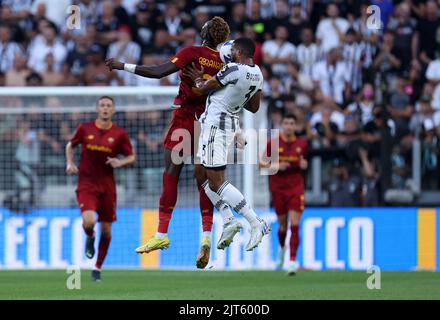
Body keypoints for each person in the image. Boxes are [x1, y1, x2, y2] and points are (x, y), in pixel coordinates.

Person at [105, 16, 230, 269]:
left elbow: (159, 71)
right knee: (204, 179)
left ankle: (161, 234)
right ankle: (206, 236)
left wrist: (122, 66)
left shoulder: (192, 52)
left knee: (171, 172)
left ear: (205, 33)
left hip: (185, 118)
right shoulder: (225, 63)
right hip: (209, 122)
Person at [183, 37, 270, 252]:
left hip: (216, 127)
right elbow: (254, 107)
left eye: (232, 51)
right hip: (227, 124)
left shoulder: (233, 69)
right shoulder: (258, 74)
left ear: (239, 52)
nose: (228, 54)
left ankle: (255, 222)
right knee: (200, 172)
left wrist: (197, 79)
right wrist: (235, 95)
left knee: (216, 182)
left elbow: (203, 88)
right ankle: (229, 219)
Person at [65, 96, 135, 282]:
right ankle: (90, 235)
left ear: (113, 110)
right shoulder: (84, 128)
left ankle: (97, 268)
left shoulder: (119, 134)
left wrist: (120, 162)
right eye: (102, 105)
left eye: (109, 106)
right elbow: (70, 145)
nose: (105, 108)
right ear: (97, 109)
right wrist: (70, 163)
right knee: (89, 221)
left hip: (107, 185)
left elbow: (131, 157)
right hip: (86, 183)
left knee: (106, 231)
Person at [259, 113, 308, 275]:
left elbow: (305, 162)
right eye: (286, 123)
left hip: (295, 188)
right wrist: (277, 166)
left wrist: (303, 164)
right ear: (282, 125)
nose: (289, 126)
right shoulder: (272, 144)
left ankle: (292, 261)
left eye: (292, 123)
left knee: (294, 225)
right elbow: (261, 166)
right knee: (282, 226)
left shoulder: (302, 144)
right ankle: (282, 249)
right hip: (278, 188)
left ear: (295, 126)